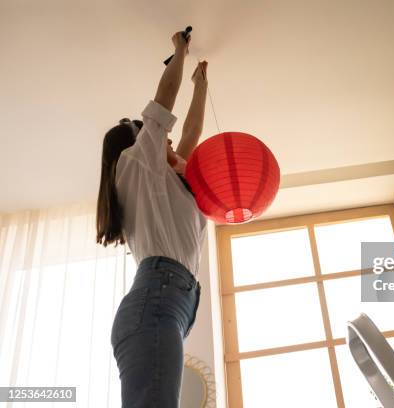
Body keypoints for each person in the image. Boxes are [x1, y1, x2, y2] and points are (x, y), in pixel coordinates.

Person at [95, 31, 208, 407]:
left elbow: (190, 134)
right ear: (141, 143)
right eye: (161, 139)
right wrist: (180, 51)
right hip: (158, 302)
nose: (171, 143)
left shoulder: (166, 184)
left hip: (166, 304)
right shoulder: (134, 166)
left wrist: (201, 86)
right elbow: (161, 105)